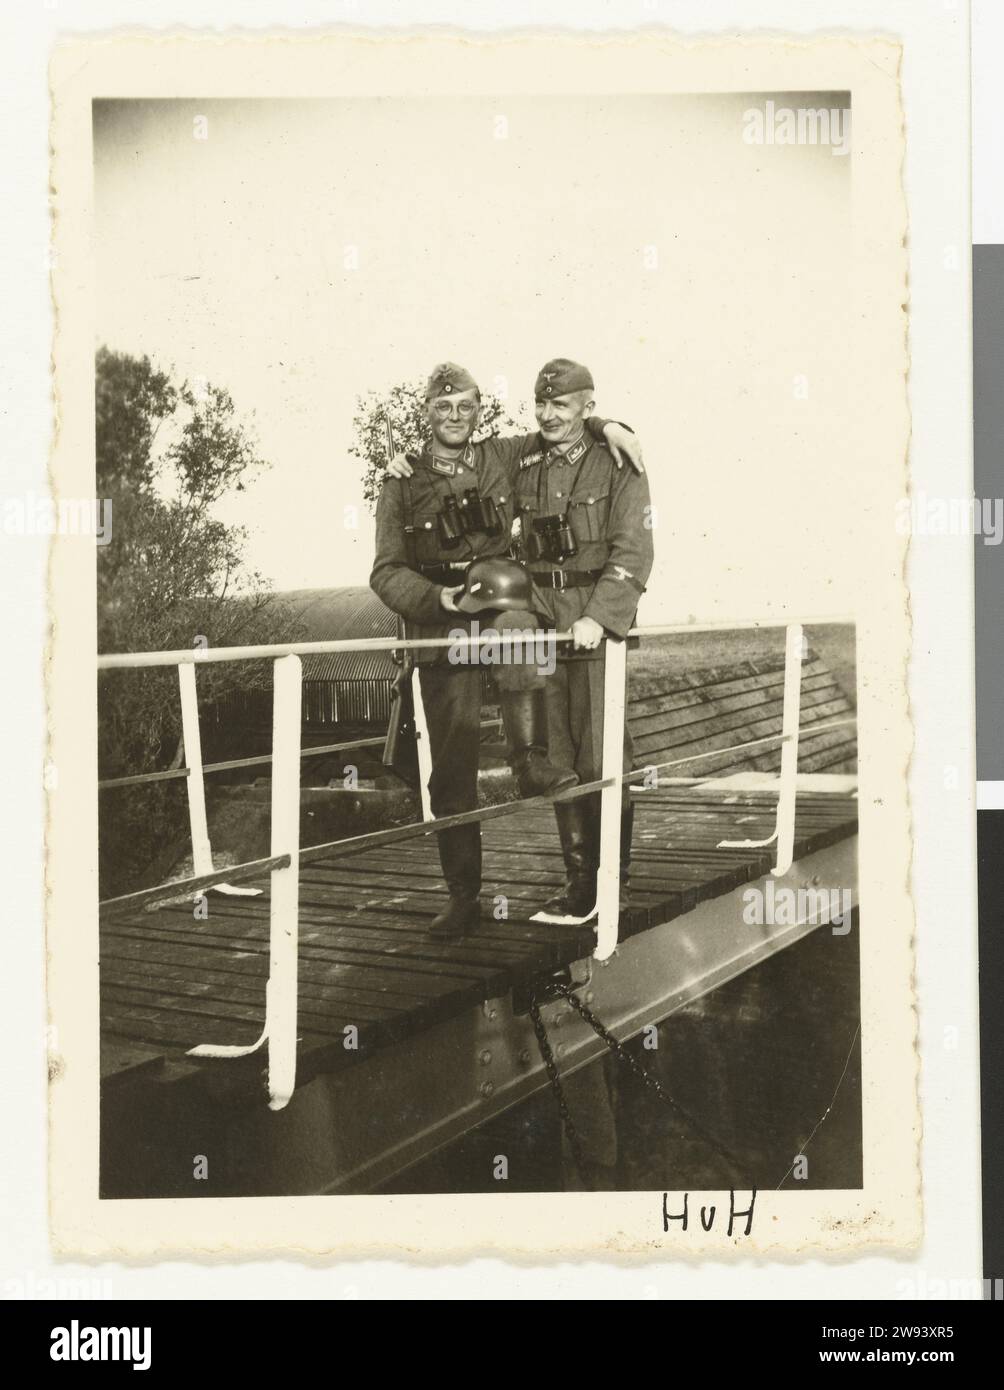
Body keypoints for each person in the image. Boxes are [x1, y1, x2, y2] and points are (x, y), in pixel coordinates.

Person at [370, 362, 644, 938]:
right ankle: (463, 896)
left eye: (465, 407)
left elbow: (568, 426)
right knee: (452, 768)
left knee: (569, 736)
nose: (454, 417)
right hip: (441, 628)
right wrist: (439, 598)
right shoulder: (400, 480)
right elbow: (386, 573)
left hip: (506, 617)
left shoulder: (501, 457)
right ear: (425, 413)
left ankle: (531, 766)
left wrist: (613, 426)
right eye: (442, 408)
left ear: (478, 411)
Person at [510, 357, 654, 923]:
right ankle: (578, 887)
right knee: (558, 756)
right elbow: (468, 457)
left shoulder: (618, 460)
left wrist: (601, 617)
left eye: (562, 406)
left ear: (587, 407)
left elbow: (634, 551)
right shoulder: (525, 461)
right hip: (542, 622)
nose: (548, 415)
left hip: (596, 627)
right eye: (541, 404)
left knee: (601, 754)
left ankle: (612, 882)